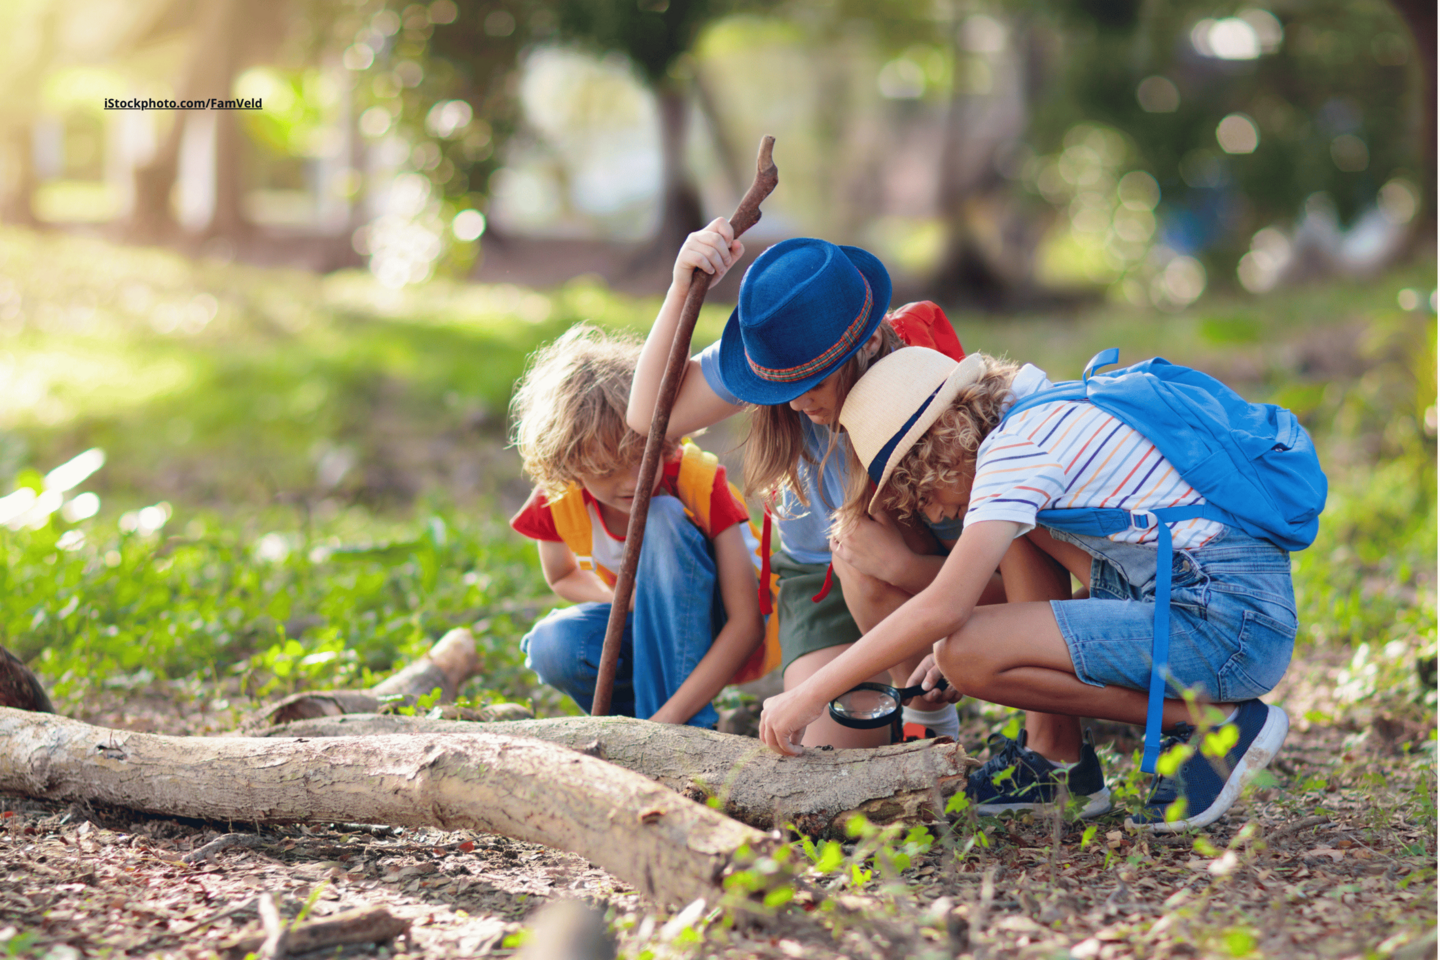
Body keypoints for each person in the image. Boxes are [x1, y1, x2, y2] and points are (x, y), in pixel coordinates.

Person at [759, 347, 1295, 831]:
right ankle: (1064, 761)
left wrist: (810, 694)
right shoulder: (1039, 420)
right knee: (985, 614)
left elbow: (945, 607)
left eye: (920, 489)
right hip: (1231, 609)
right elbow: (1116, 589)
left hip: (1226, 625)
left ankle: (1216, 724)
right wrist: (1010, 640)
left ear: (942, 443)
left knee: (963, 650)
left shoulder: (1013, 455)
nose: (933, 510)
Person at [628, 220, 997, 748]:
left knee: (869, 561)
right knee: (823, 755)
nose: (798, 402)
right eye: (782, 387)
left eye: (814, 383)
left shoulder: (925, 386)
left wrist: (900, 568)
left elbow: (995, 561)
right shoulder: (778, 358)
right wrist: (683, 288)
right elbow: (648, 415)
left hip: (920, 577)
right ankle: (889, 699)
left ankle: (926, 713)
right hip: (821, 586)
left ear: (868, 342)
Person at [509, 324, 765, 727]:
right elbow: (560, 575)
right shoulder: (559, 496)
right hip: (643, 629)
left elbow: (746, 625)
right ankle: (632, 728)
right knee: (553, 643)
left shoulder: (697, 484)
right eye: (608, 468)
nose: (631, 481)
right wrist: (630, 602)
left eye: (643, 458)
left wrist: (670, 719)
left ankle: (679, 728)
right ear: (570, 462)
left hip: (714, 628)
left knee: (660, 518)